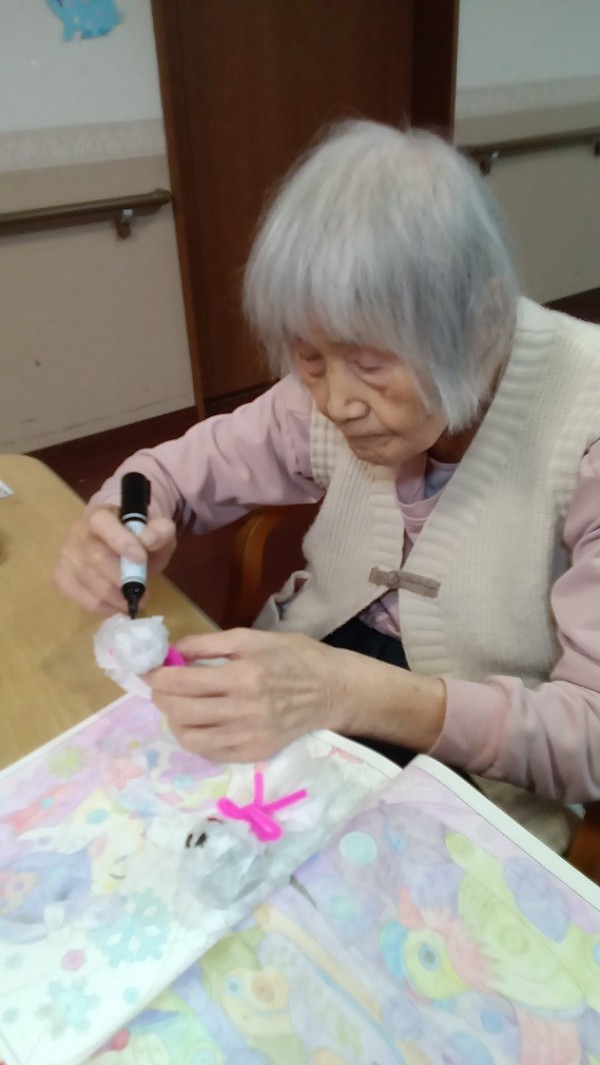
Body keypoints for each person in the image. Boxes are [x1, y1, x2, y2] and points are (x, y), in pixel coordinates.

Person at [54, 119, 600, 852]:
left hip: (482, 754)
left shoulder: (584, 423)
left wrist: (346, 691)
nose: (335, 402)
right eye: (308, 358)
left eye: (370, 364)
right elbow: (162, 475)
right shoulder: (321, 393)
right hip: (307, 673)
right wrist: (119, 523)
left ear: (482, 324)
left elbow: (588, 737)